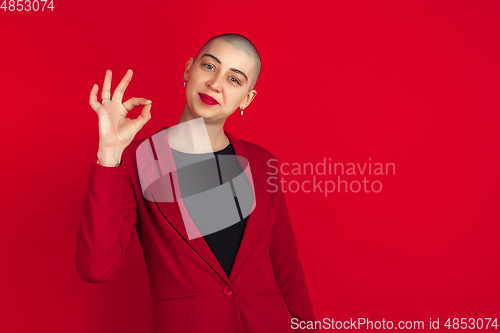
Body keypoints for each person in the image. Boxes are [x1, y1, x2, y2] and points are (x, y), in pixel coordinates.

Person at [76, 33, 318, 333]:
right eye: (209, 67)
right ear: (189, 69)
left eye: (234, 79)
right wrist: (109, 154)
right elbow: (97, 269)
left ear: (247, 98)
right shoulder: (138, 160)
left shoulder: (260, 162)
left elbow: (287, 269)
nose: (215, 84)